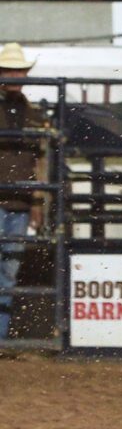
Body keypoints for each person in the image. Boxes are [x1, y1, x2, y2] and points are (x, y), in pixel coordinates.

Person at [0, 43, 45, 343]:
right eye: (10, 70)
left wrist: (37, 203)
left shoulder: (34, 114)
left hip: (20, 201)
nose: (16, 75)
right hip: (11, 199)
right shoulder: (34, 114)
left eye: (20, 70)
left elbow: (40, 161)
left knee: (8, 272)